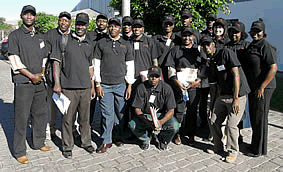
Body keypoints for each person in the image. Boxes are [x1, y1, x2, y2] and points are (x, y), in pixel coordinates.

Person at [8, 5, 51, 164]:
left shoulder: (40, 36)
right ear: (21, 16)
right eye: (26, 14)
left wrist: (40, 73)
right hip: (24, 82)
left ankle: (38, 142)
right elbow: (14, 60)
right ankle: (19, 151)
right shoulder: (15, 35)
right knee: (21, 118)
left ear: (35, 17)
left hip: (39, 82)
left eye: (31, 14)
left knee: (40, 114)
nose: (29, 17)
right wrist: (31, 76)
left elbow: (44, 57)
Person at [200, 35, 250, 163]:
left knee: (231, 125)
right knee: (212, 120)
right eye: (204, 45)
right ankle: (218, 147)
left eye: (208, 44)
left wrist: (236, 99)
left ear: (213, 44)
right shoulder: (210, 62)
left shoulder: (226, 53)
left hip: (237, 95)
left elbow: (236, 75)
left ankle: (233, 151)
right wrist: (211, 107)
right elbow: (213, 87)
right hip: (223, 95)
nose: (206, 47)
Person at [52, 13, 95, 158]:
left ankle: (86, 142)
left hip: (85, 87)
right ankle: (67, 146)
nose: (80, 27)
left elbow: (90, 66)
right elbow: (56, 63)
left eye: (83, 24)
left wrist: (92, 85)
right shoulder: (64, 40)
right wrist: (57, 84)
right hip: (68, 88)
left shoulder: (89, 43)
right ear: (74, 25)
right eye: (78, 24)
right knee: (67, 119)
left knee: (85, 118)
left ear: (87, 26)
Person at [94, 18, 135, 153]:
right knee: (107, 114)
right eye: (111, 26)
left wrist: (129, 85)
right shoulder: (101, 43)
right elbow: (96, 64)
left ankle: (117, 136)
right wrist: (98, 83)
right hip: (105, 85)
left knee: (120, 114)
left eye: (116, 26)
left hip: (121, 85)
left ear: (120, 28)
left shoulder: (126, 44)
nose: (113, 29)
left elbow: (130, 66)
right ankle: (106, 140)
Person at [244, 18, 277, 157]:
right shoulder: (253, 44)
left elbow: (273, 68)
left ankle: (258, 150)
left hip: (263, 87)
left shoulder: (265, 45)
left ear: (263, 32)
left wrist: (262, 86)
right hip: (254, 87)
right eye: (253, 31)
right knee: (254, 116)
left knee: (260, 117)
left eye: (258, 31)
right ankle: (255, 144)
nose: (255, 33)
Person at [166, 27, 202, 145]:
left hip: (194, 86)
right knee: (179, 111)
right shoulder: (175, 50)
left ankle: (191, 134)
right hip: (179, 86)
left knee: (192, 110)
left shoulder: (198, 50)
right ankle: (177, 134)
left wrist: (198, 80)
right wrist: (176, 81)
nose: (187, 38)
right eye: (184, 35)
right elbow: (170, 67)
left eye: (189, 36)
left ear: (193, 37)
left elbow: (204, 67)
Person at [128, 66, 179, 150]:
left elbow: (171, 110)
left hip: (161, 115)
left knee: (175, 125)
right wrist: (148, 122)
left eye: (156, 76)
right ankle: (145, 139)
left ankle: (163, 139)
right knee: (132, 125)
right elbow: (137, 109)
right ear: (147, 76)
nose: (154, 78)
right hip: (145, 115)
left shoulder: (166, 88)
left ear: (160, 77)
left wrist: (161, 122)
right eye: (151, 76)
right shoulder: (141, 87)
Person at [45, 11, 72, 140]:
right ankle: (51, 129)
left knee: (68, 105)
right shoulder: (51, 34)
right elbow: (45, 54)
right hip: (52, 76)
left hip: (69, 77)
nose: (63, 23)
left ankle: (70, 128)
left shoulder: (73, 36)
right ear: (58, 21)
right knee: (52, 105)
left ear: (70, 23)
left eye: (66, 20)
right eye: (61, 20)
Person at [226, 20, 250, 143]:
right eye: (231, 32)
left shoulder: (247, 46)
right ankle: (230, 131)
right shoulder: (227, 46)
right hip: (229, 82)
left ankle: (239, 133)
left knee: (240, 110)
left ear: (241, 33)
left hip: (243, 82)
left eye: (236, 33)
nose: (233, 35)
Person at [86, 13, 109, 130]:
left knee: (105, 105)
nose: (102, 23)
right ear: (96, 22)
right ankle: (87, 128)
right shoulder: (89, 35)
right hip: (91, 72)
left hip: (105, 73)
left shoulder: (109, 36)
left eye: (104, 21)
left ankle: (104, 129)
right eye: (100, 21)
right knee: (90, 103)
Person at [153, 15, 181, 82]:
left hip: (174, 71)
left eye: (170, 24)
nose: (168, 26)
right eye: (166, 24)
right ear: (162, 24)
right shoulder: (155, 39)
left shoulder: (178, 39)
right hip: (161, 70)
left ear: (173, 25)